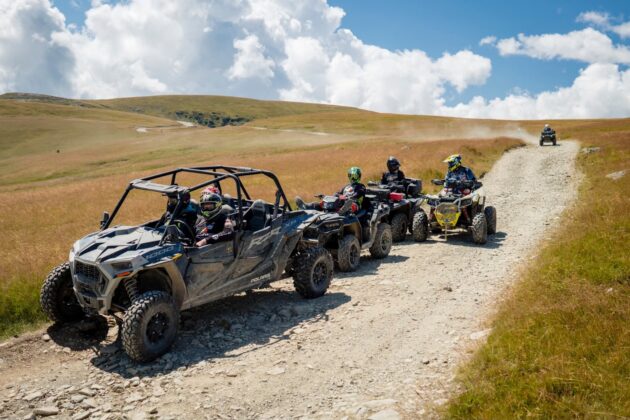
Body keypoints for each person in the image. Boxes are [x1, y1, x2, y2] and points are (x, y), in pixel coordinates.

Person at [295, 166, 367, 212]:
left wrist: (348, 197)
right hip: (342, 202)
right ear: (349, 176)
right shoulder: (346, 186)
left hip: (355, 204)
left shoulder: (361, 186)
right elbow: (336, 193)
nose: (353, 178)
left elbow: (359, 193)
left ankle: (345, 210)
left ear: (359, 176)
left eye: (355, 176)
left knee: (351, 204)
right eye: (351, 176)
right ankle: (306, 206)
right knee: (324, 203)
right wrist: (326, 197)